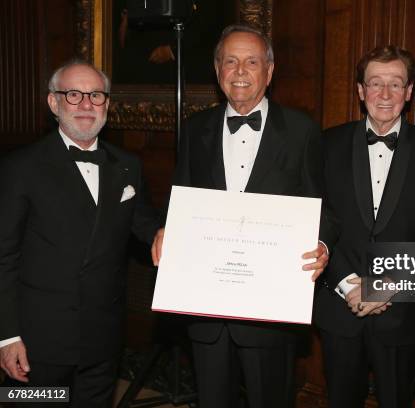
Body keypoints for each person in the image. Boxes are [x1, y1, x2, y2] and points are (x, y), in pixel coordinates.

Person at [150, 24, 329, 408]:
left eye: (251, 61)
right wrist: (168, 229)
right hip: (206, 310)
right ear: (217, 72)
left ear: (270, 70)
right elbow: (180, 200)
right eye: (230, 61)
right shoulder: (194, 129)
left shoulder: (302, 131)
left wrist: (323, 244)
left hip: (272, 309)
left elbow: (323, 205)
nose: (241, 70)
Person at [0, 60, 160, 406]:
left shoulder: (128, 165)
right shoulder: (20, 167)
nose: (86, 105)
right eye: (74, 95)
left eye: (96, 95)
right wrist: (7, 336)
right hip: (37, 340)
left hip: (102, 336)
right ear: (53, 103)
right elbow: (4, 256)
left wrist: (167, 233)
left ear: (107, 104)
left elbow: (144, 223)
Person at [313, 45, 415, 408]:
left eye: (396, 84)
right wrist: (348, 284)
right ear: (360, 91)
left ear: (409, 93)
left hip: (403, 312)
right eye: (376, 83)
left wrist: (382, 288)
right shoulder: (327, 144)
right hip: (339, 308)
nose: (385, 94)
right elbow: (319, 220)